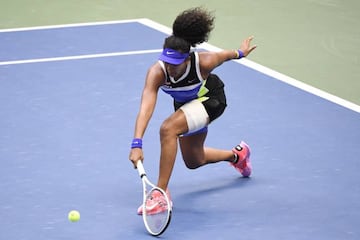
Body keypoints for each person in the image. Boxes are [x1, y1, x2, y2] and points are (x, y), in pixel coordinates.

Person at [129, 7, 257, 214]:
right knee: (194, 160)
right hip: (186, 107)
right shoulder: (157, 72)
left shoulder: (205, 61)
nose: (171, 67)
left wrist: (241, 52)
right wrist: (137, 143)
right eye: (168, 62)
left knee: (168, 129)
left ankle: (160, 194)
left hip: (211, 99)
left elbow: (228, 55)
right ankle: (237, 156)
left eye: (176, 64)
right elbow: (146, 106)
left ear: (187, 58)